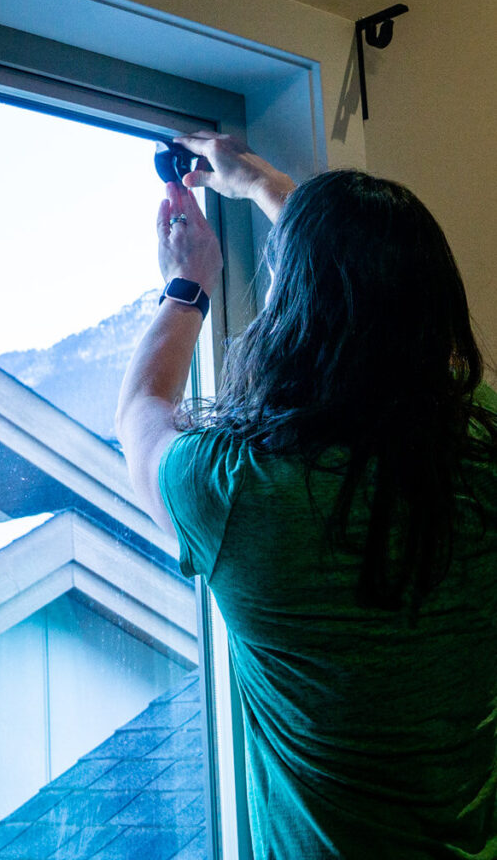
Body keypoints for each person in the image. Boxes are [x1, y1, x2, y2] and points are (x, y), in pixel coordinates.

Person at [115, 132, 497, 860]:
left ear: (288, 313)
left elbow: (140, 414)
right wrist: (262, 184)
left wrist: (186, 282)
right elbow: (379, 306)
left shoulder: (239, 492)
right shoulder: (482, 449)